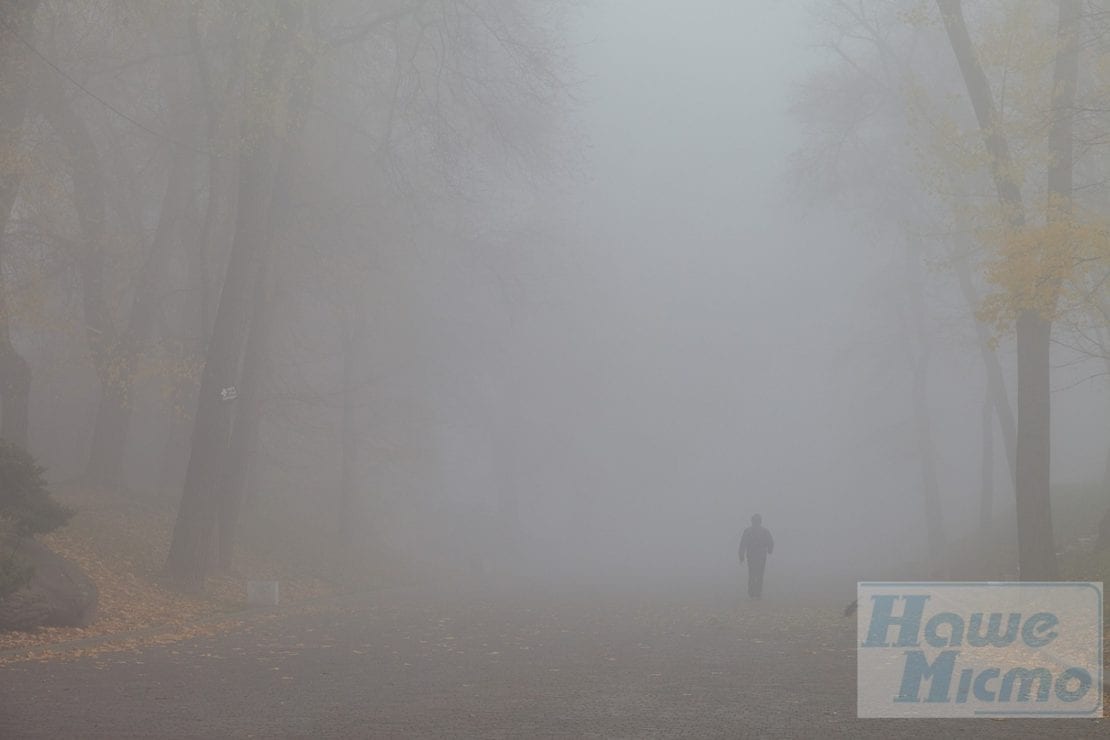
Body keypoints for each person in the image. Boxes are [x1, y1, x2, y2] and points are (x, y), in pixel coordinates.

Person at [738, 514, 774, 599]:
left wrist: (741, 555)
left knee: (752, 573)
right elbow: (770, 542)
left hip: (752, 556)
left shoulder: (748, 531)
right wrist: (770, 550)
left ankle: (752, 592)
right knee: (759, 574)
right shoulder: (764, 531)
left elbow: (743, 544)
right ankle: (757, 592)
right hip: (760, 556)